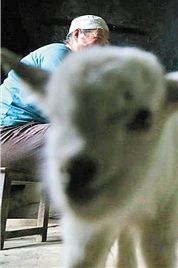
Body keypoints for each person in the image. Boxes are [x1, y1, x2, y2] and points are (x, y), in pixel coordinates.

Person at [1, 15, 110, 176]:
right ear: (77, 34)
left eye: (105, 43)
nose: (101, 47)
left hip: (28, 137)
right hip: (8, 135)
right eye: (97, 38)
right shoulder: (58, 52)